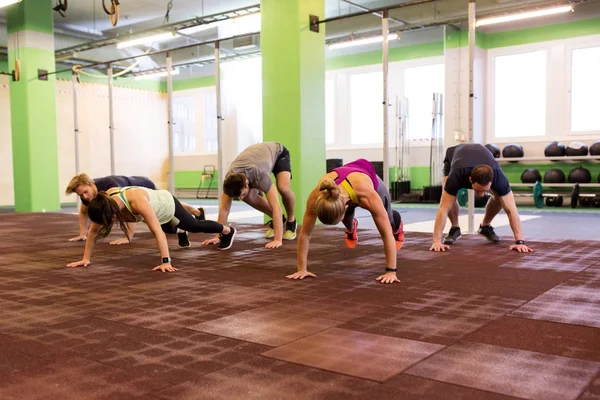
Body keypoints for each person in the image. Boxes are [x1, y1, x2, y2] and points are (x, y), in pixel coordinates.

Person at [286, 159, 404, 284]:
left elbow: (386, 235)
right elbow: (305, 234)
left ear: (346, 207)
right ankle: (351, 226)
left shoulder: (367, 196)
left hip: (367, 178)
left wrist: (391, 271)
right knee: (348, 222)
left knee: (389, 222)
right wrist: (301, 269)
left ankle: (398, 226)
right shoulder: (315, 197)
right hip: (346, 188)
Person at [66, 186, 236, 272]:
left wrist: (165, 262)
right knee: (173, 229)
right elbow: (93, 231)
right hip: (154, 205)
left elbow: (157, 232)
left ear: (112, 213)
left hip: (166, 205)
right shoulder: (105, 204)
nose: (107, 225)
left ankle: (228, 231)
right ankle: (190, 217)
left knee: (192, 226)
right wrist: (85, 258)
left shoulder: (136, 202)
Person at [430, 143, 533, 253]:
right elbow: (443, 209)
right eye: (478, 190)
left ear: (492, 181)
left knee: (500, 197)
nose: (481, 195)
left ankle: (485, 226)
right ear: (470, 180)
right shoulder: (457, 175)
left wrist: (520, 242)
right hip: (454, 156)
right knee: (448, 195)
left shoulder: (499, 177)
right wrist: (436, 241)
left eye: (485, 190)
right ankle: (455, 227)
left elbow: (512, 210)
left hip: (479, 156)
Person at [65, 173, 204, 247]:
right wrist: (82, 234)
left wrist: (128, 237)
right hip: (135, 195)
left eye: (85, 192)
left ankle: (196, 212)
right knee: (170, 228)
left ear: (91, 184)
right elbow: (83, 211)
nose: (84, 197)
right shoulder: (89, 196)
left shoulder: (111, 186)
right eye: (80, 195)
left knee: (168, 206)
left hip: (142, 185)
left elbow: (127, 209)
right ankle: (193, 215)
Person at [202, 142, 296, 249]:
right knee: (248, 197)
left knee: (283, 188)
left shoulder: (260, 176)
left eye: (242, 193)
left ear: (247, 182)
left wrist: (277, 240)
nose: (241, 197)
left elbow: (276, 206)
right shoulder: (229, 181)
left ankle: (291, 221)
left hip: (278, 153)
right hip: (258, 158)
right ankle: (279, 220)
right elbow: (224, 210)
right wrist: (218, 236)